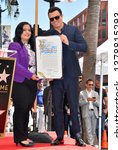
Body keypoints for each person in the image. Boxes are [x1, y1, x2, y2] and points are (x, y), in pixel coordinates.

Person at [45, 7, 88, 146]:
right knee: (57, 107)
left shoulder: (73, 30)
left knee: (74, 106)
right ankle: (59, 136)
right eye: (52, 19)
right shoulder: (48, 34)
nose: (55, 21)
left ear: (62, 16)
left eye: (57, 17)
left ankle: (77, 135)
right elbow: (44, 56)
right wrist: (47, 74)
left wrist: (69, 42)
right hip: (55, 77)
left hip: (71, 75)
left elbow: (84, 47)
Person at [8, 22, 39, 147]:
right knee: (20, 109)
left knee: (26, 110)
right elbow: (15, 64)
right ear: (19, 31)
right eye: (24, 29)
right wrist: (30, 75)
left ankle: (24, 136)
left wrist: (39, 80)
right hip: (19, 81)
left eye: (29, 30)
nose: (27, 32)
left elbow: (37, 66)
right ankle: (19, 138)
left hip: (32, 82)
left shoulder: (32, 48)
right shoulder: (14, 45)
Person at [79, 79, 99, 146]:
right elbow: (79, 103)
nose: (91, 86)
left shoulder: (95, 93)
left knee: (93, 129)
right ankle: (91, 144)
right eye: (89, 84)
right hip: (86, 112)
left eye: (92, 85)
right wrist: (86, 100)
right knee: (88, 129)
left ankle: (91, 143)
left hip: (94, 112)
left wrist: (94, 101)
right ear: (86, 85)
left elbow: (99, 104)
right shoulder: (82, 93)